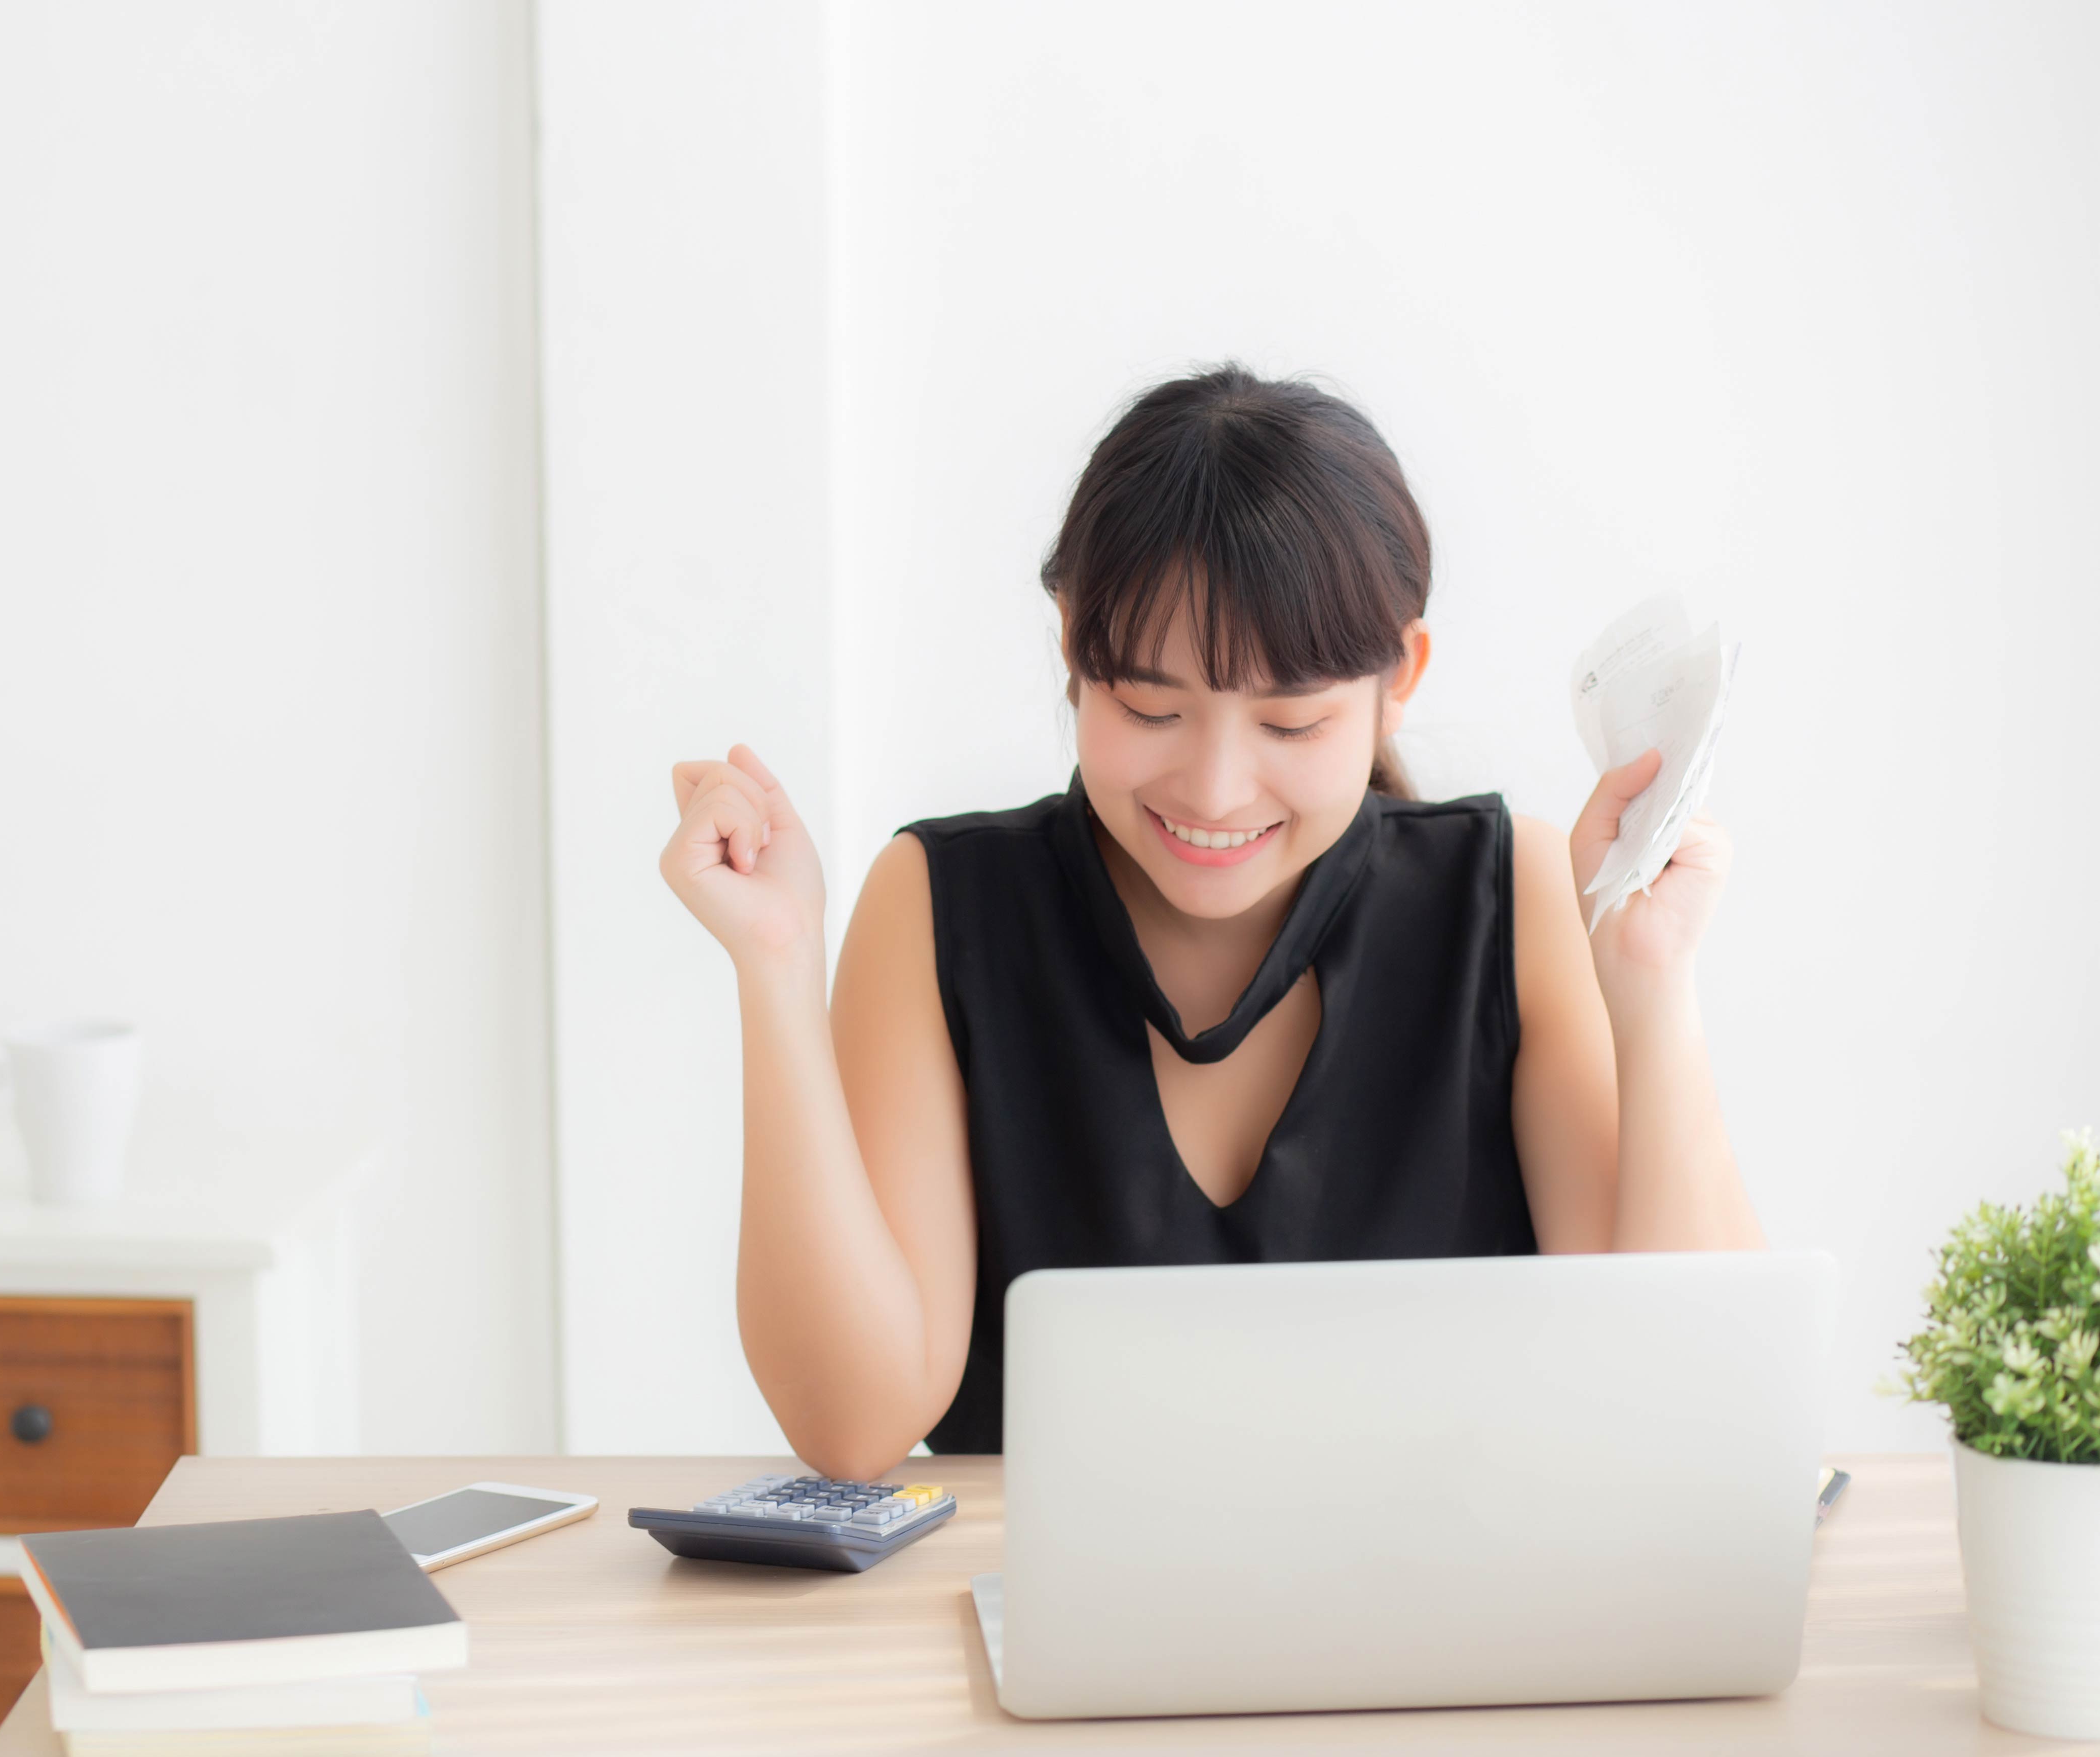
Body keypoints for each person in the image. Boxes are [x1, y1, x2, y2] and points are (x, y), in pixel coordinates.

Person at [660, 364, 1763, 1481]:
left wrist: (1651, 981)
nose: (1217, 789)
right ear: (1071, 641)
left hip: (1438, 1638)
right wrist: (777, 966)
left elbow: (1685, 1402)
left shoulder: (1505, 893)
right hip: (1060, 1643)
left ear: (1399, 676)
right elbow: (853, 1426)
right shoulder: (943, 904)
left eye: (1290, 725)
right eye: (1150, 709)